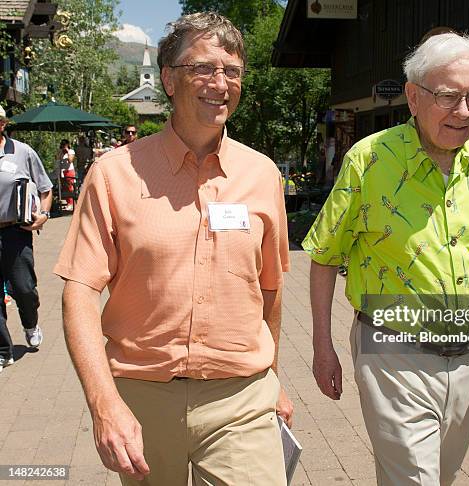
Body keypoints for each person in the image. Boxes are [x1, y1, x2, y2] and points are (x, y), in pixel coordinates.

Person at [302, 32, 469, 486]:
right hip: (392, 348)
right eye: (448, 96)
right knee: (415, 479)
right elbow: (326, 256)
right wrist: (322, 346)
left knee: (441, 474)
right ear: (413, 96)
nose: (463, 112)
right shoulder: (369, 160)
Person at [54, 12, 292, 486]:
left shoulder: (262, 174)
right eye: (203, 68)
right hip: (142, 400)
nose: (219, 83)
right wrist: (104, 404)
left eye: (232, 71)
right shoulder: (115, 174)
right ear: (167, 79)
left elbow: (271, 291)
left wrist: (275, 381)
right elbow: (79, 292)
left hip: (240, 399)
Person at [0, 105, 53, 372]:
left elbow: (45, 188)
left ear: (2, 124)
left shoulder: (22, 152)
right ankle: (2, 351)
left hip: (15, 232)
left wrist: (43, 214)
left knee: (23, 289)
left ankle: (30, 324)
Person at [56, 139, 76, 210]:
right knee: (64, 188)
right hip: (63, 171)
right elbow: (57, 159)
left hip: (69, 171)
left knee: (69, 187)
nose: (63, 146)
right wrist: (60, 152)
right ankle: (68, 203)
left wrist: (67, 152)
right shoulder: (61, 152)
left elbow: (70, 160)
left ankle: (71, 203)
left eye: (64, 145)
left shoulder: (71, 151)